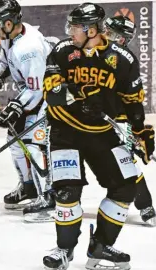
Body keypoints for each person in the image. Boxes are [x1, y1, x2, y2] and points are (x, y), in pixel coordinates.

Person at [42, 3, 154, 270]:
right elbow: (51, 93)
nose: (70, 32)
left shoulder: (123, 60)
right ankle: (64, 250)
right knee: (67, 191)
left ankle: (101, 245)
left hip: (103, 134)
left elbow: (132, 102)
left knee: (126, 186)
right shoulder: (62, 51)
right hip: (65, 131)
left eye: (75, 27)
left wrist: (140, 133)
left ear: (91, 30)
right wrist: (78, 94)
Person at [0, 0, 54, 222]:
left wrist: (16, 107)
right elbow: (5, 59)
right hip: (32, 95)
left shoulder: (29, 49)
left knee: (35, 144)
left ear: (9, 23)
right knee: (15, 140)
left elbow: (38, 89)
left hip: (48, 99)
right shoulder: (12, 36)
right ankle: (29, 186)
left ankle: (49, 196)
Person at [104, 15, 155, 227]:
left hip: (117, 118)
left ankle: (145, 205)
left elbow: (134, 100)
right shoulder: (94, 52)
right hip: (93, 117)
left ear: (122, 39)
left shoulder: (125, 61)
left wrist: (136, 129)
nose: (104, 35)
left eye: (110, 33)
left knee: (126, 162)